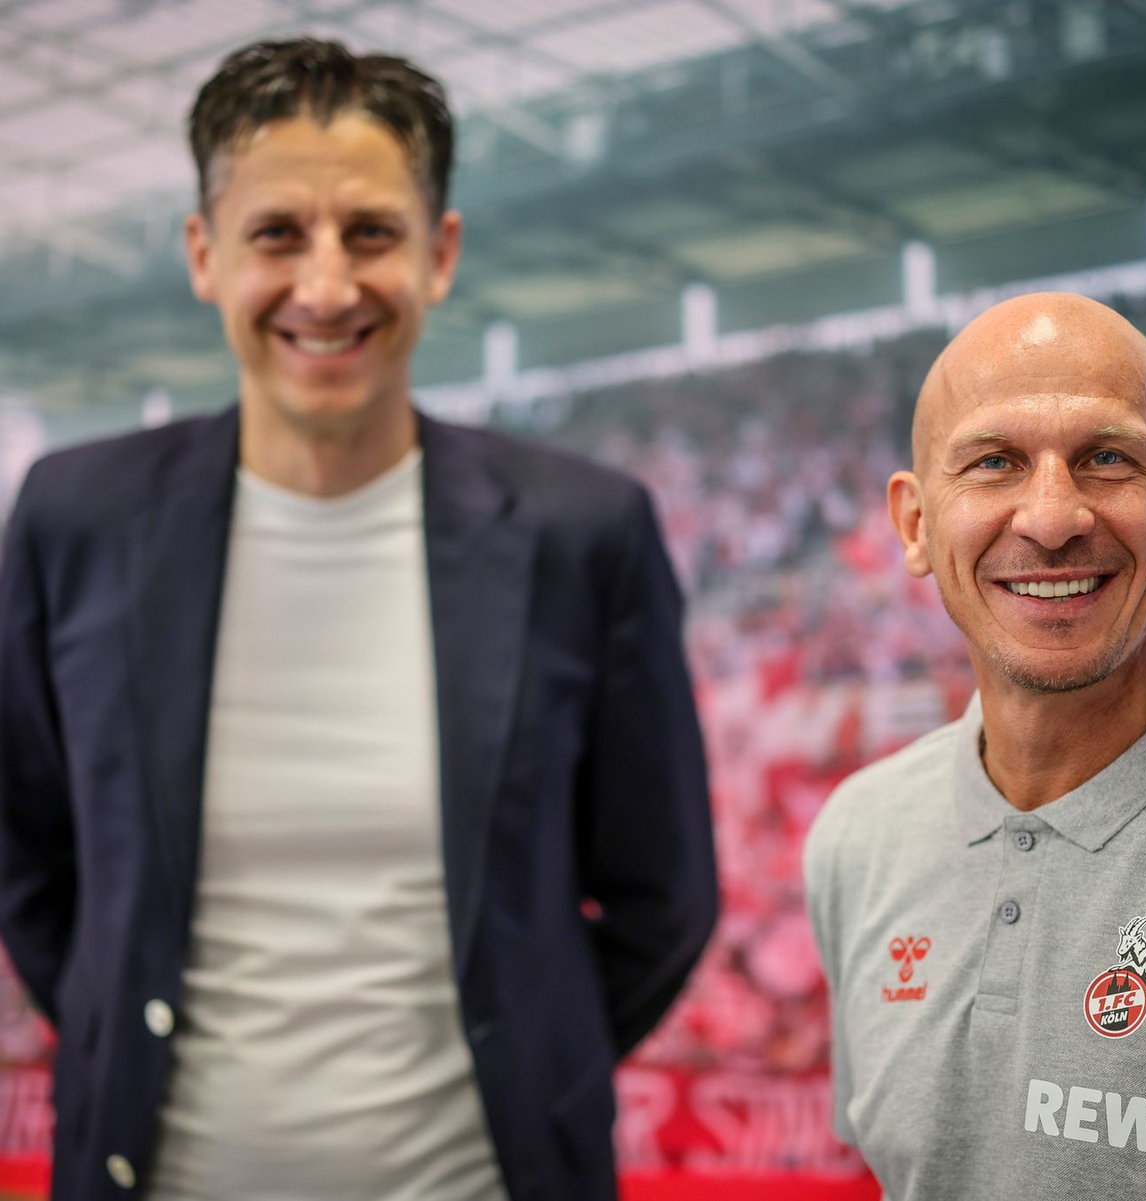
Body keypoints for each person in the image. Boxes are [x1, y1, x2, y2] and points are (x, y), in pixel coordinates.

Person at [0, 39, 717, 1201]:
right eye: (276, 233)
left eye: (370, 233)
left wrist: (530, 1059)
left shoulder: (584, 532)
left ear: (439, 255)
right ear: (203, 255)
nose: (325, 288)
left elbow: (665, 893)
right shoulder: (76, 519)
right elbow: (28, 861)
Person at [804, 292, 1146, 1198]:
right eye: (994, 462)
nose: (1052, 517)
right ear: (914, 525)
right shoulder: (856, 838)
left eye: (1107, 457)